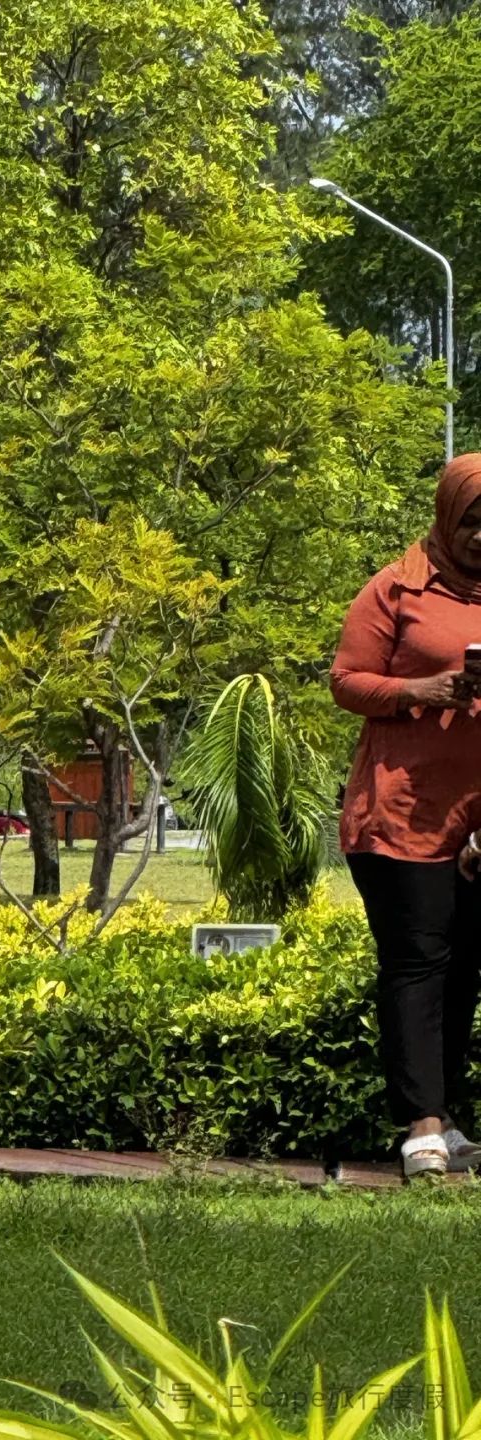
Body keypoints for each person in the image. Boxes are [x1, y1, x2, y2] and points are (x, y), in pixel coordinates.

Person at [331, 453, 481, 1178]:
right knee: (419, 963)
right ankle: (420, 1123)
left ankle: (448, 1118)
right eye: (473, 521)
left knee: (467, 970)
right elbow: (347, 681)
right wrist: (425, 687)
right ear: (448, 516)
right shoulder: (396, 586)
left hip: (477, 821)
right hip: (403, 815)